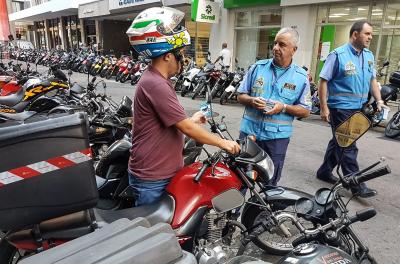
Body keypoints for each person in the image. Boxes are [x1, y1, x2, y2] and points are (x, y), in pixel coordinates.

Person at [126, 7, 240, 206]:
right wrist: (222, 143)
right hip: (153, 177)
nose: (183, 59)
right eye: (179, 53)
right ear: (167, 56)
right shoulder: (156, 83)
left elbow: (171, 121)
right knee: (155, 233)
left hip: (156, 172)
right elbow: (185, 127)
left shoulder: (156, 79)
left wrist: (193, 120)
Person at [316, 20, 388, 198]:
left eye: (371, 34)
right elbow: (323, 80)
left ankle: (324, 172)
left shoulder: (369, 56)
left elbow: (372, 80)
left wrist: (379, 100)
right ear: (355, 34)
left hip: (359, 108)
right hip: (339, 108)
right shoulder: (338, 55)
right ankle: (356, 184)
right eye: (367, 34)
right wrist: (324, 107)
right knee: (348, 146)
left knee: (339, 141)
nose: (370, 37)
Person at [237, 27, 311, 186]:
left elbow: (305, 111)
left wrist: (283, 107)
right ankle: (235, 211)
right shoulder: (257, 67)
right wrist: (251, 101)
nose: (276, 47)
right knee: (240, 178)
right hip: (249, 134)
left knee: (270, 182)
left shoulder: (301, 77)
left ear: (294, 50)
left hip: (276, 140)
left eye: (282, 44)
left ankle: (262, 211)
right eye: (275, 43)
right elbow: (240, 95)